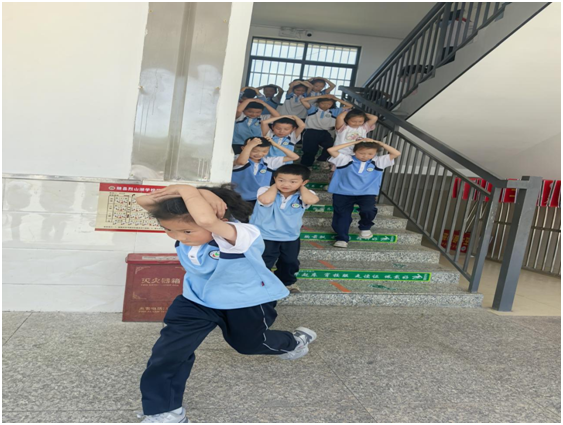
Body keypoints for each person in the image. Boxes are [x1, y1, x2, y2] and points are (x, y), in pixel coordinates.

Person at [135, 184, 317, 423]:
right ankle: (165, 410)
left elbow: (206, 220)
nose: (179, 237)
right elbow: (143, 200)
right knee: (169, 352)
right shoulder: (191, 227)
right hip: (197, 300)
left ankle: (293, 342)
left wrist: (188, 189)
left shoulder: (241, 234)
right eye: (168, 229)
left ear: (220, 217)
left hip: (245, 302)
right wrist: (198, 192)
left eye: (187, 231)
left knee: (249, 345)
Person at [250, 164, 319, 294]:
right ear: (274, 179)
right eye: (281, 180)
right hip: (265, 235)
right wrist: (275, 186)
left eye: (293, 181)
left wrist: (301, 187)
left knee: (290, 262)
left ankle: (286, 282)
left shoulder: (303, 195)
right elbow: (265, 200)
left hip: (290, 236)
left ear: (304, 182)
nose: (286, 184)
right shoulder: (265, 190)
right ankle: (259, 283)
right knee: (264, 261)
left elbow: (311, 200)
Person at [327, 139, 401, 248]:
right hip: (342, 193)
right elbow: (331, 150)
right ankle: (342, 238)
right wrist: (354, 143)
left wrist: (379, 143)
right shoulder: (345, 159)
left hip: (367, 193)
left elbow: (396, 153)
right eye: (361, 153)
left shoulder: (378, 161)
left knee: (368, 210)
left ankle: (365, 227)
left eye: (370, 153)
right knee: (342, 216)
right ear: (355, 151)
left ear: (375, 153)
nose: (365, 156)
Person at [232, 137, 299, 207]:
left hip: (260, 198)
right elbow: (241, 162)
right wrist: (249, 146)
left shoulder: (268, 161)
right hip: (238, 197)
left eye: (264, 151)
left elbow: (294, 157)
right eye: (255, 151)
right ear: (243, 148)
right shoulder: (238, 158)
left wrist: (275, 145)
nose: (259, 154)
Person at [299, 94, 354, 169]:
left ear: (332, 104)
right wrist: (320, 96)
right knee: (310, 149)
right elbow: (303, 100)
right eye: (323, 103)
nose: (325, 105)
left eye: (329, 104)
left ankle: (322, 159)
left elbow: (350, 106)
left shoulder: (334, 111)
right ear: (318, 103)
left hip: (324, 132)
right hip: (311, 132)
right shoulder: (313, 109)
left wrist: (336, 98)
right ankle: (306, 165)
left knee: (330, 145)